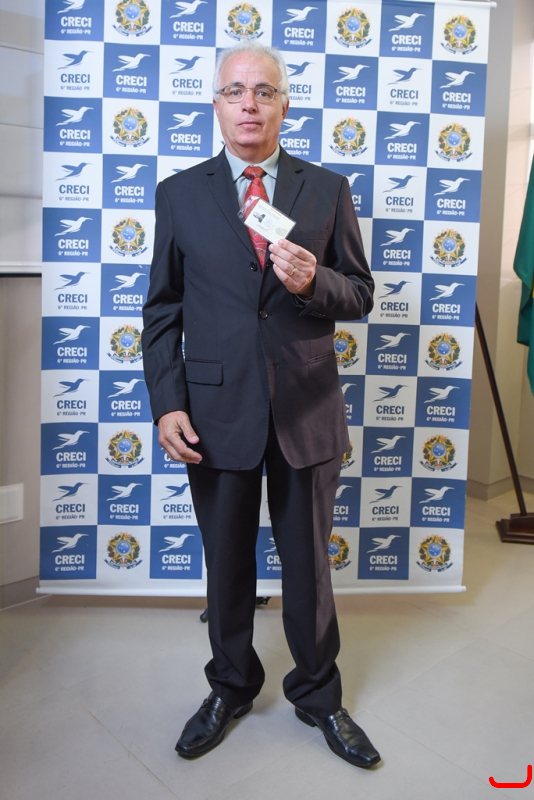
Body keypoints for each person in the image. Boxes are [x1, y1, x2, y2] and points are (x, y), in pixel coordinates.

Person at [142, 41, 379, 769]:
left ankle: (319, 696)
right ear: (216, 104)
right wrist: (167, 404)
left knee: (309, 566)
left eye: (264, 91)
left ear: (284, 104)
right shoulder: (180, 193)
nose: (249, 103)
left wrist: (314, 283)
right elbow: (163, 311)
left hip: (306, 407)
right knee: (226, 564)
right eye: (235, 90)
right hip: (216, 411)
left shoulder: (326, 188)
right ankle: (230, 686)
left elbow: (359, 295)